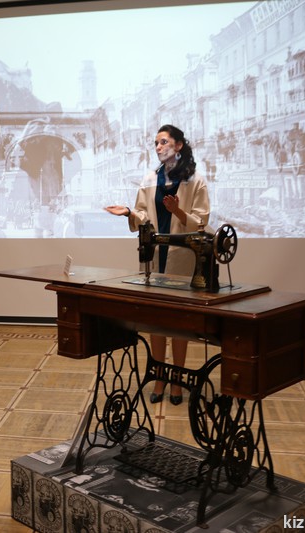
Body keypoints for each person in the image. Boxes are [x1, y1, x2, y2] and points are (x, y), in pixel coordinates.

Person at [105, 124, 210, 405]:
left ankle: (176, 380)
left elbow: (201, 222)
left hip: (181, 257)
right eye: (156, 143)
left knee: (178, 321)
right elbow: (143, 215)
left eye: (164, 142)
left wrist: (178, 211)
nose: (158, 147)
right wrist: (129, 212)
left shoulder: (196, 180)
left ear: (178, 145)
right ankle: (160, 377)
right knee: (155, 320)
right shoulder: (150, 179)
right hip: (154, 255)